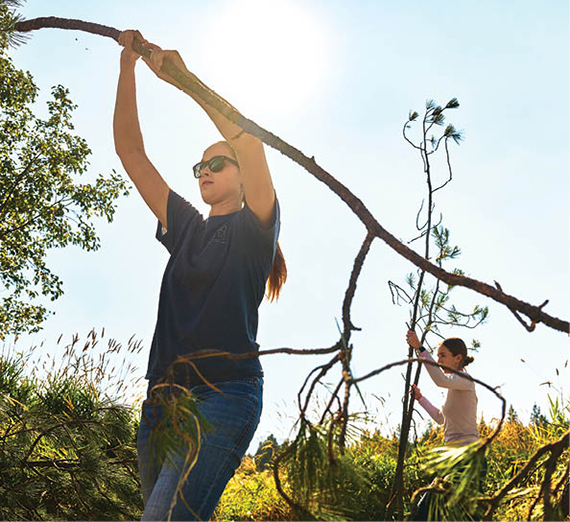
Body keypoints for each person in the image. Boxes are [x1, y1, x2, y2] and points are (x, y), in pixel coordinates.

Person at [114, 30, 286, 521]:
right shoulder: (185, 226)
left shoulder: (257, 229)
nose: (205, 170)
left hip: (224, 395)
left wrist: (185, 82)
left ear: (239, 174)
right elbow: (131, 154)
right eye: (200, 165)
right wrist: (127, 68)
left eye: (217, 162)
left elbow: (247, 140)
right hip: (160, 406)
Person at [405, 329, 480, 520]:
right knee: (429, 511)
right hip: (454, 459)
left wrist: (419, 348)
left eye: (443, 356)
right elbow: (441, 418)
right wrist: (421, 399)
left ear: (458, 358)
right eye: (437, 356)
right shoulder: (455, 386)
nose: (439, 360)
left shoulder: (465, 379)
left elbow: (439, 380)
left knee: (430, 510)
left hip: (467, 458)